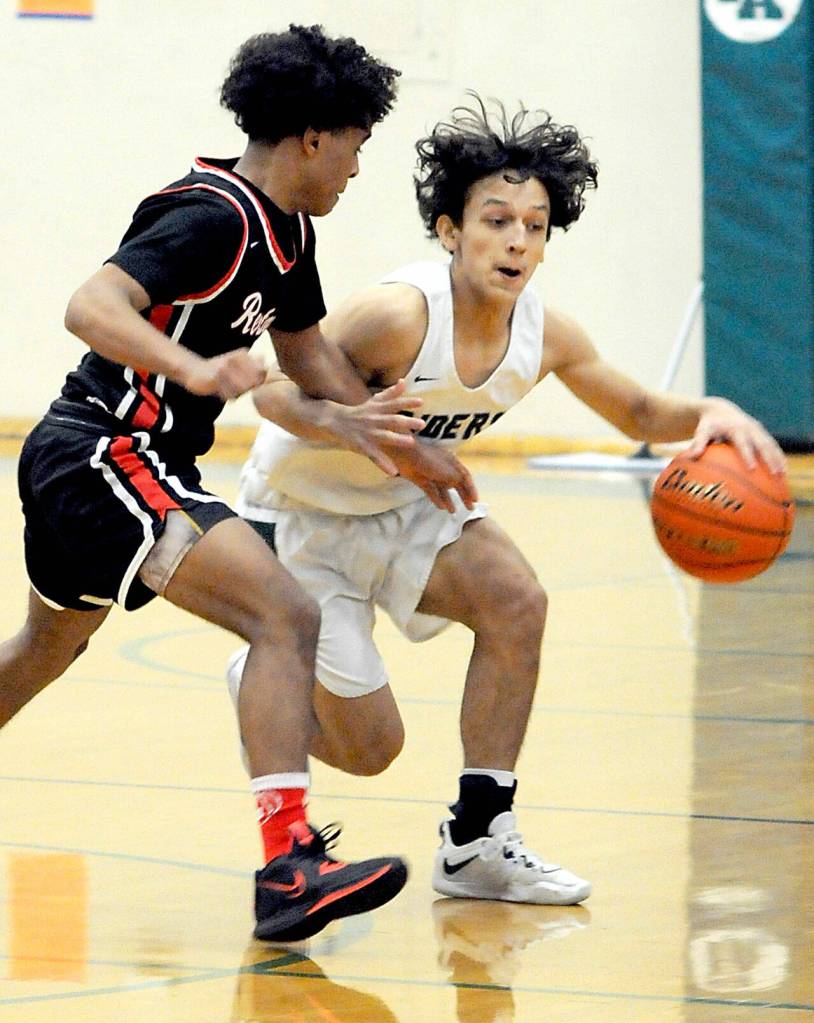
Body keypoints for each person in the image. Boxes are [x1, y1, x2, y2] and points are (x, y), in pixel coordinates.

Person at [226, 95, 787, 907]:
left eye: (535, 224)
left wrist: (715, 413)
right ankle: (261, 679)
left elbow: (639, 415)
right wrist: (359, 427)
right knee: (372, 746)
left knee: (517, 599)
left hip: (405, 501)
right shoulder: (397, 315)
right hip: (301, 515)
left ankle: (479, 840)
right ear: (451, 230)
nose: (517, 239)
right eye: (495, 220)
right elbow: (270, 395)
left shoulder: (545, 334)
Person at [0, 24, 435, 943]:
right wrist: (188, 368)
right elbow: (90, 304)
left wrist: (364, 421)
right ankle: (288, 866)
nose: (359, 168)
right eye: (357, 144)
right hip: (104, 452)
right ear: (314, 136)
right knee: (286, 614)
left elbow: (306, 350)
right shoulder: (214, 215)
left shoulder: (288, 234)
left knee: (42, 653)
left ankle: (287, 865)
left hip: (106, 463)